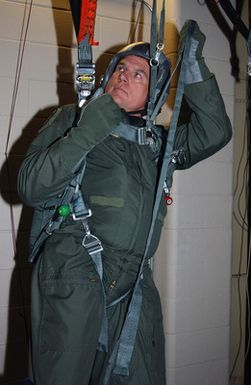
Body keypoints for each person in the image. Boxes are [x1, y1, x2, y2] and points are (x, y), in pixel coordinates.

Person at [18, 21, 232, 385]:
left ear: (155, 94)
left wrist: (193, 64)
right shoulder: (74, 119)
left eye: (139, 74)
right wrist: (90, 127)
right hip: (76, 272)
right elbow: (32, 186)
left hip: (135, 285)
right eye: (120, 68)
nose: (124, 76)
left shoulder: (159, 146)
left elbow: (215, 132)